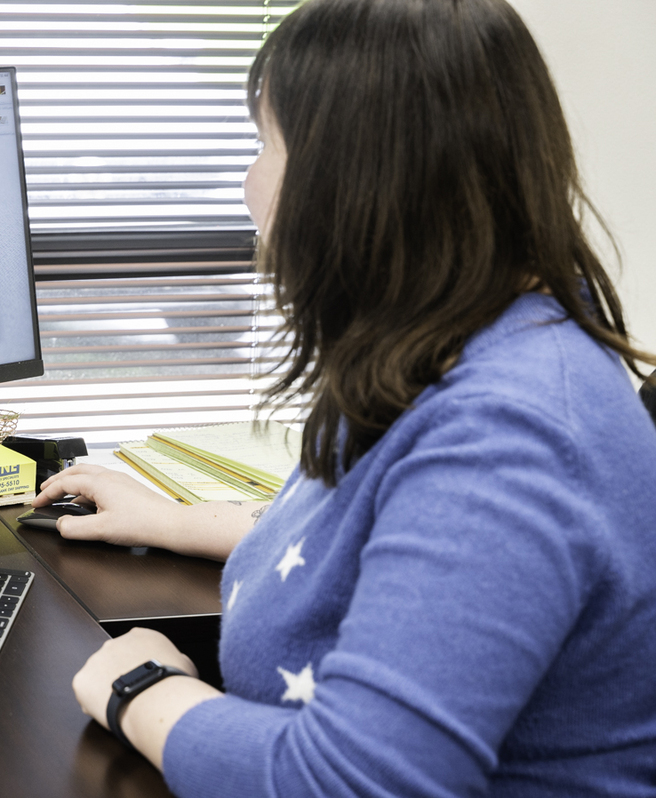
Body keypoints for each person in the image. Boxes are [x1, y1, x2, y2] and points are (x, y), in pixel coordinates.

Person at [33, 0, 656, 794]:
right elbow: (401, 538)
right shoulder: (464, 339)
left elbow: (356, 782)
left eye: (266, 144)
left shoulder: (511, 433)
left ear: (354, 180)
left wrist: (143, 690)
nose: (248, 182)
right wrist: (176, 520)